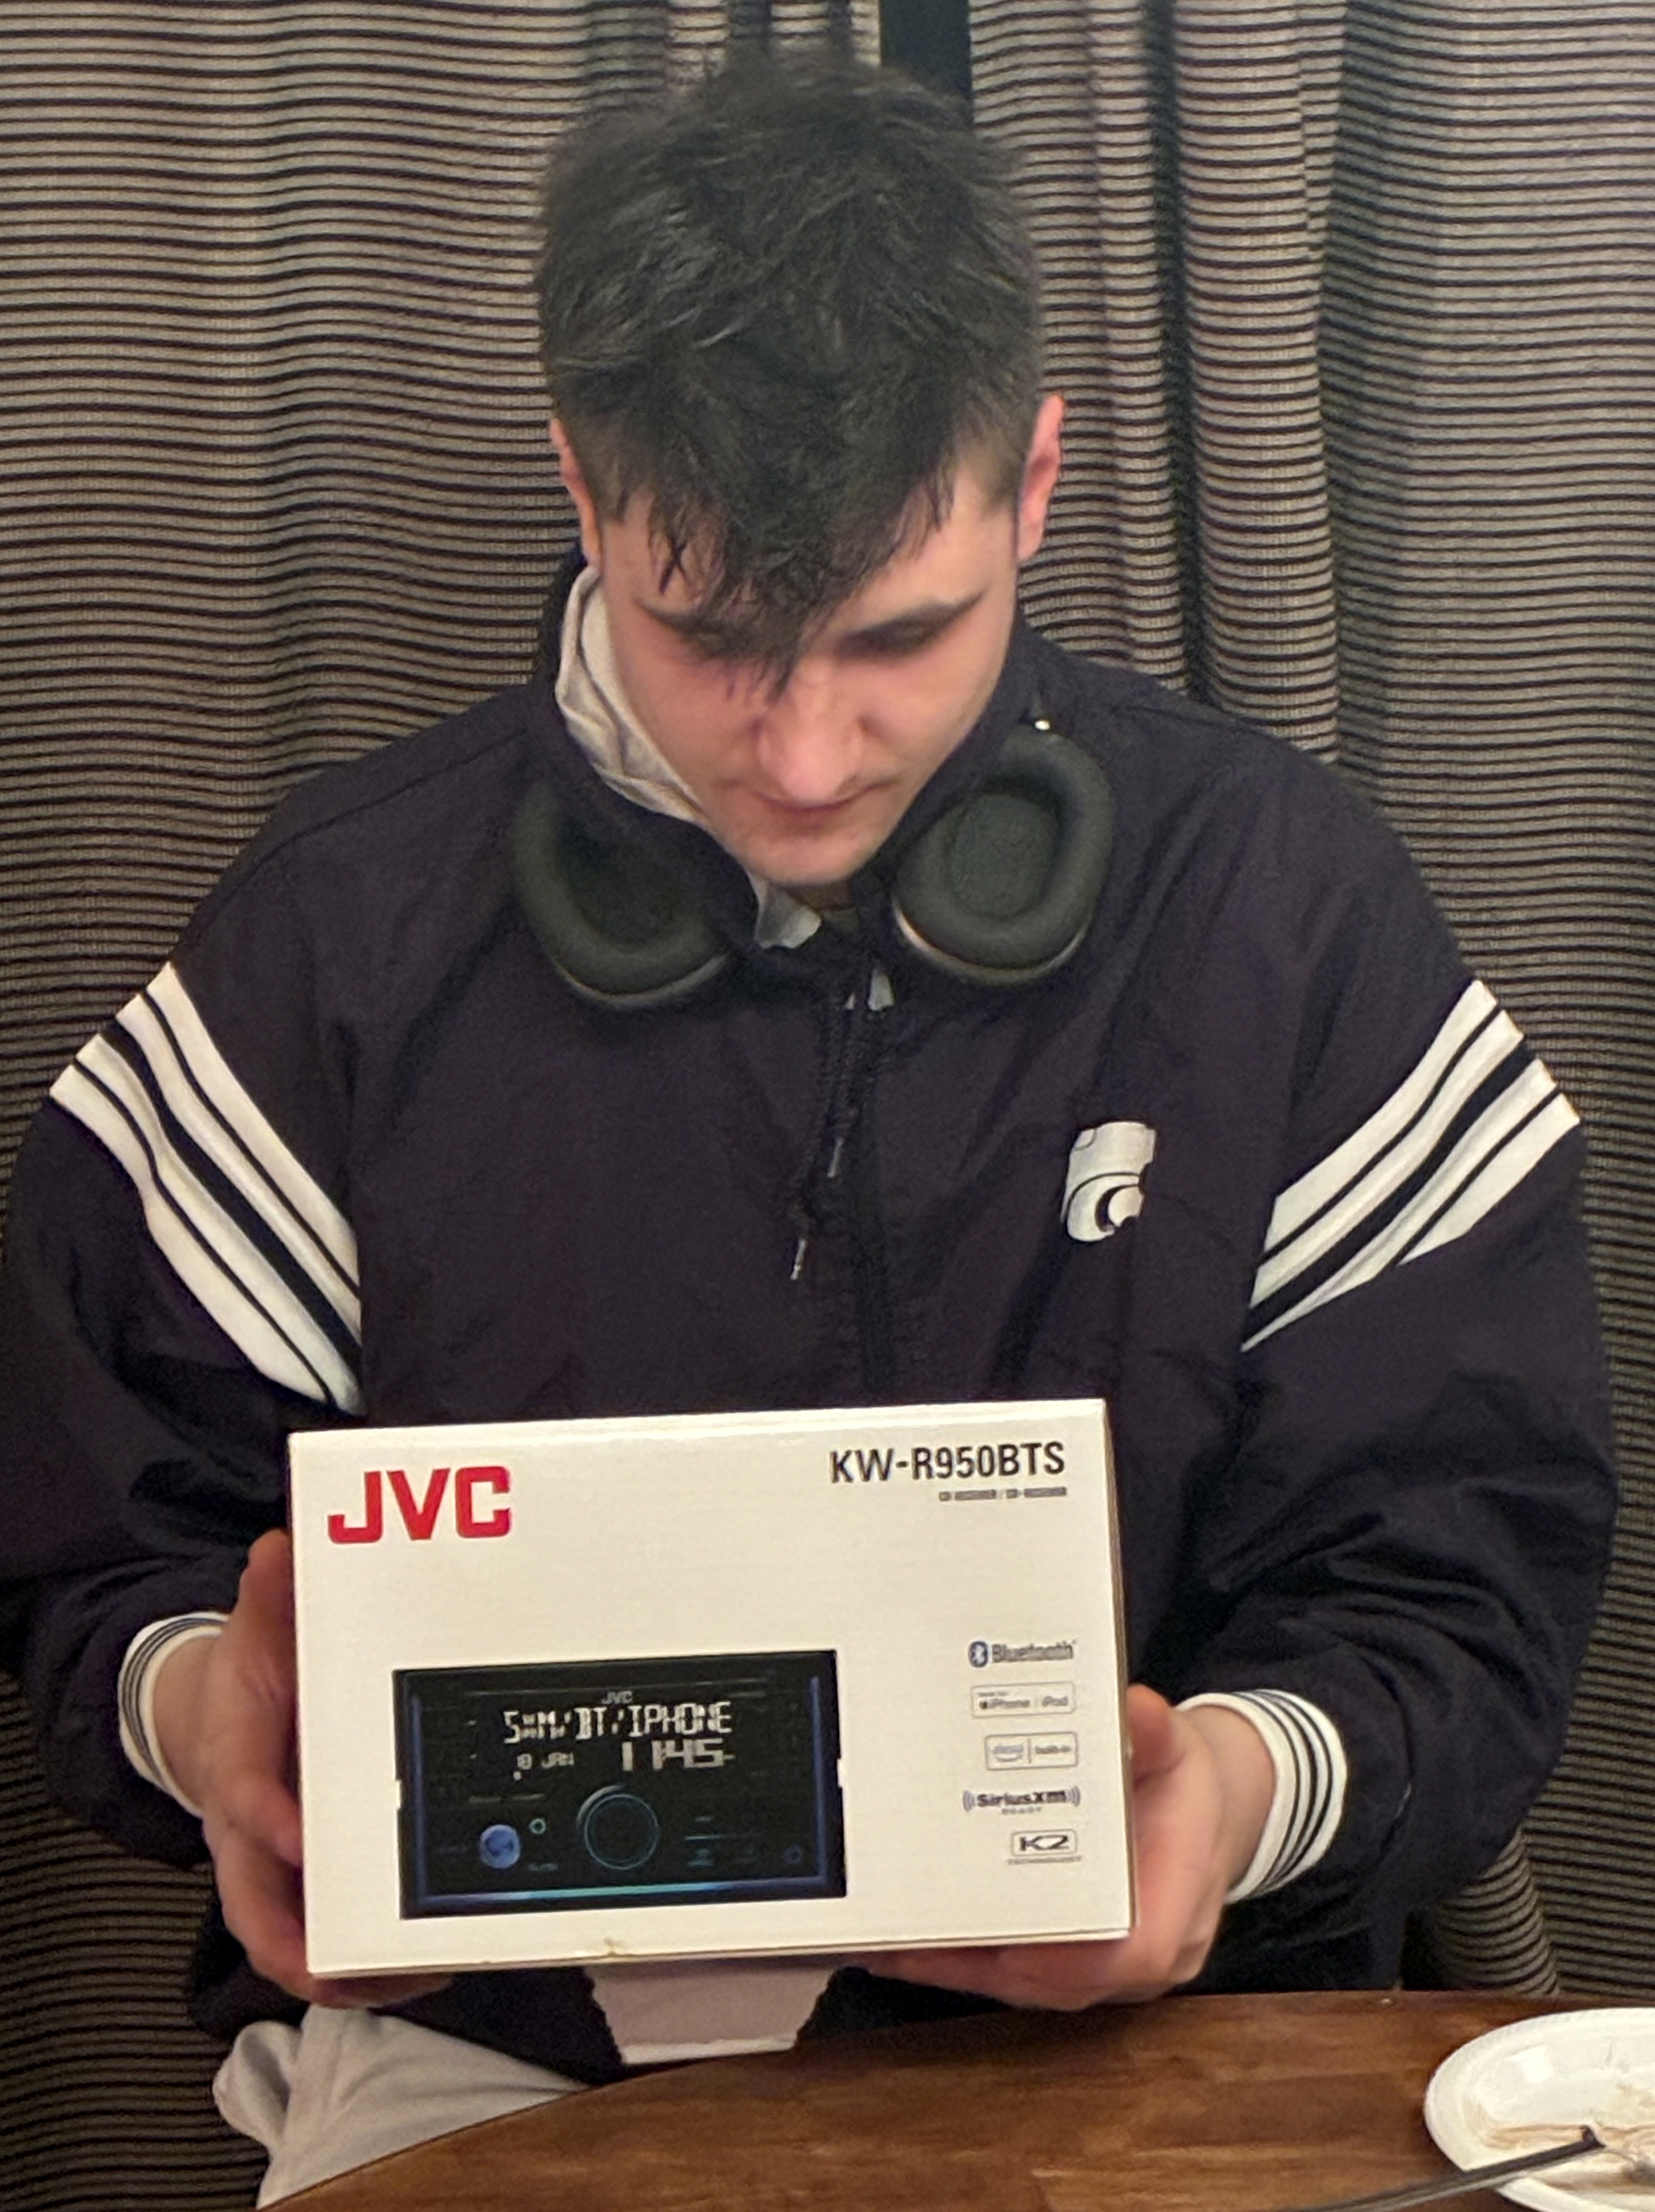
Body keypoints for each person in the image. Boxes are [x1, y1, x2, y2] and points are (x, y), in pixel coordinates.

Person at [0, 50, 1614, 2204]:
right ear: (582, 486)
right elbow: (96, 1543)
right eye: (709, 639)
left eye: (898, 638)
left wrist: (1232, 1794)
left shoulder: (1284, 913)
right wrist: (208, 1715)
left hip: (1175, 2035)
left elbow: (1460, 1563)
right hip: (489, 2057)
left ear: (1037, 486)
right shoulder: (332, 941)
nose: (806, 753)